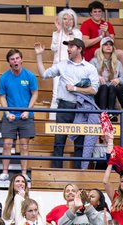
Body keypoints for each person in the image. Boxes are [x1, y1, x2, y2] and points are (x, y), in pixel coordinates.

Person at [35, 37, 99, 171]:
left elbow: (94, 90)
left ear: (80, 49)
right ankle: (56, 172)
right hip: (64, 107)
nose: (68, 49)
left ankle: (78, 173)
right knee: (59, 141)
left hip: (81, 108)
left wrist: (75, 89)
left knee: (80, 143)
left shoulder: (90, 68)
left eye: (71, 46)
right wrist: (39, 55)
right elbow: (44, 75)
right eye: (68, 46)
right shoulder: (62, 64)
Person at [0, 49, 39, 184]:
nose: (15, 61)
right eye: (12, 59)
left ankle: (24, 174)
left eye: (17, 58)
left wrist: (28, 110)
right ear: (9, 62)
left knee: (25, 146)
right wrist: (7, 112)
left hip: (26, 116)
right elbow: (2, 97)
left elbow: (35, 94)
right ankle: (4, 173)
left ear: (21, 59)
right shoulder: (3, 78)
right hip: (10, 117)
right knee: (7, 144)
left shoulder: (30, 76)